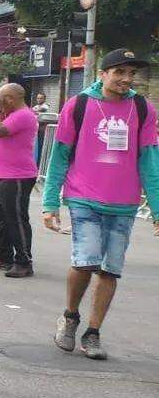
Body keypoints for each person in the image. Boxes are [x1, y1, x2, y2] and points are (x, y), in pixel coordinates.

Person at [41, 49, 159, 360]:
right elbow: (60, 156)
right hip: (84, 197)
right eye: (119, 71)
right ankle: (70, 316)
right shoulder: (78, 105)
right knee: (86, 260)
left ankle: (93, 332)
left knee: (110, 270)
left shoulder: (143, 108)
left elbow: (149, 160)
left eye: (131, 73)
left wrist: (158, 209)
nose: (126, 78)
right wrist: (50, 202)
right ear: (102, 74)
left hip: (124, 202)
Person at [0, 83, 37, 278]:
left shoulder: (23, 115)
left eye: (1, 98)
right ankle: (5, 255)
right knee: (2, 217)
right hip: (6, 175)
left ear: (11, 99)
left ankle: (24, 261)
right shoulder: (14, 114)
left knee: (16, 219)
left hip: (17, 176)